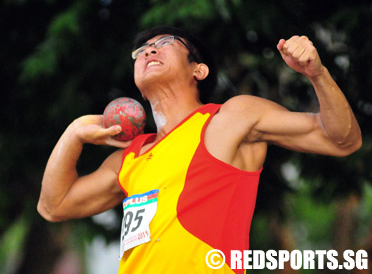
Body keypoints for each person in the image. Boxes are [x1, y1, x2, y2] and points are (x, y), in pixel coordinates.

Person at [37, 26, 362, 273]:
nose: (149, 51)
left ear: (199, 70)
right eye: (142, 50)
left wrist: (317, 74)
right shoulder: (128, 158)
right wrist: (74, 133)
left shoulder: (231, 119)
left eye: (164, 44)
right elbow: (54, 206)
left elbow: (341, 139)